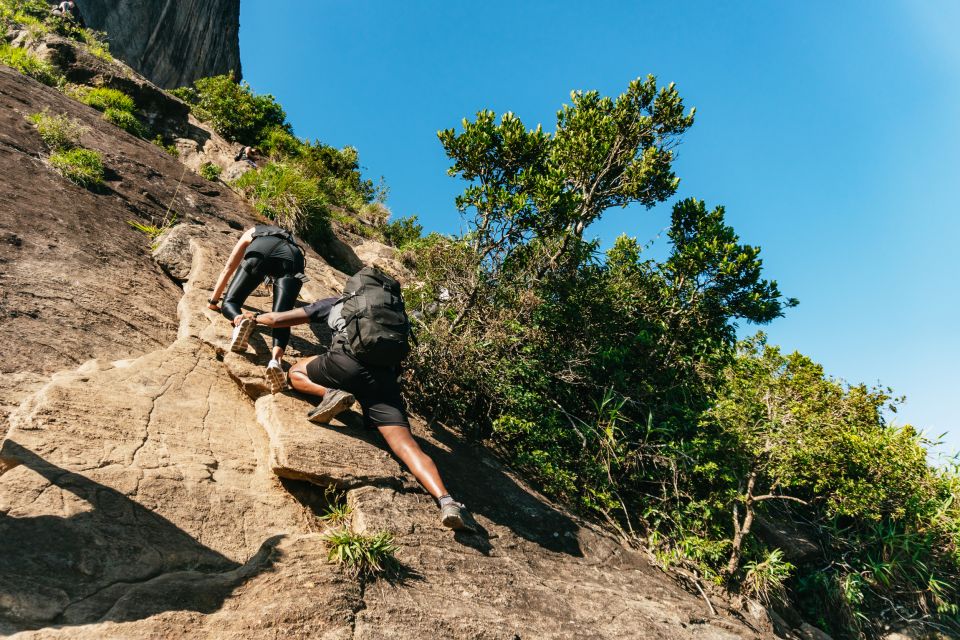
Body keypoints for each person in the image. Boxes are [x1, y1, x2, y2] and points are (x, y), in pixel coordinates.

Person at [242, 280, 473, 531]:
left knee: (296, 372)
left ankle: (331, 393)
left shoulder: (337, 303)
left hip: (343, 364)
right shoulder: (395, 315)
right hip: (383, 380)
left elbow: (279, 320)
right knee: (407, 446)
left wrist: (255, 317)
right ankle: (446, 501)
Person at [208, 225, 307, 393]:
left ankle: (240, 320)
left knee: (231, 303)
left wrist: (214, 301)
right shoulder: (291, 240)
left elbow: (229, 267)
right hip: (293, 258)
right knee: (282, 317)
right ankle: (276, 361)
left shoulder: (253, 231)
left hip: (261, 250)